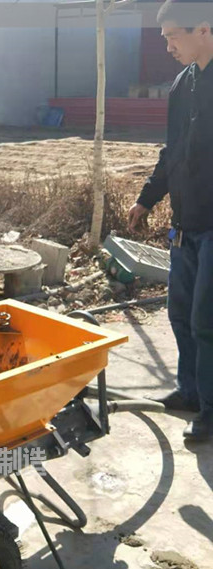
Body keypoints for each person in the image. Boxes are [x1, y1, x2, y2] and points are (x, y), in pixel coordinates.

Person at [129, 0, 213, 441]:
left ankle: (212, 410)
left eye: (172, 37)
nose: (167, 47)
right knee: (180, 313)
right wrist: (147, 199)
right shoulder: (183, 83)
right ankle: (191, 392)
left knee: (207, 321)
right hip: (186, 224)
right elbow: (172, 151)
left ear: (204, 30)